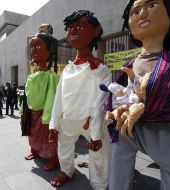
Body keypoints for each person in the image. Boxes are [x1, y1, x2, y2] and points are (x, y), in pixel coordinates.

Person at [107, 0, 170, 190]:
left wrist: (146, 105)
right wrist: (114, 108)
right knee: (118, 162)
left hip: (169, 130)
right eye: (135, 11)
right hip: (129, 126)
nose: (142, 14)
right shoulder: (129, 65)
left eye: (151, 6)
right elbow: (116, 94)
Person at [48, 10, 111, 189]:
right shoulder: (66, 69)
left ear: (95, 31)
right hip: (67, 118)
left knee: (99, 151)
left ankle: (99, 183)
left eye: (80, 27)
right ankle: (66, 170)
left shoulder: (101, 69)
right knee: (64, 146)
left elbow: (100, 103)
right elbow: (58, 98)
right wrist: (54, 124)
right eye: (70, 28)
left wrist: (97, 132)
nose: (73, 31)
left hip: (90, 121)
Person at [20, 26, 60, 171]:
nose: (34, 50)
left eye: (38, 45)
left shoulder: (52, 76)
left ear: (49, 50)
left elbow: (52, 98)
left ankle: (55, 159)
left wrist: (47, 119)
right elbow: (26, 96)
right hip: (31, 114)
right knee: (32, 135)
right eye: (32, 46)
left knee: (49, 138)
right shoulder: (31, 76)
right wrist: (22, 113)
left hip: (44, 114)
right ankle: (34, 151)